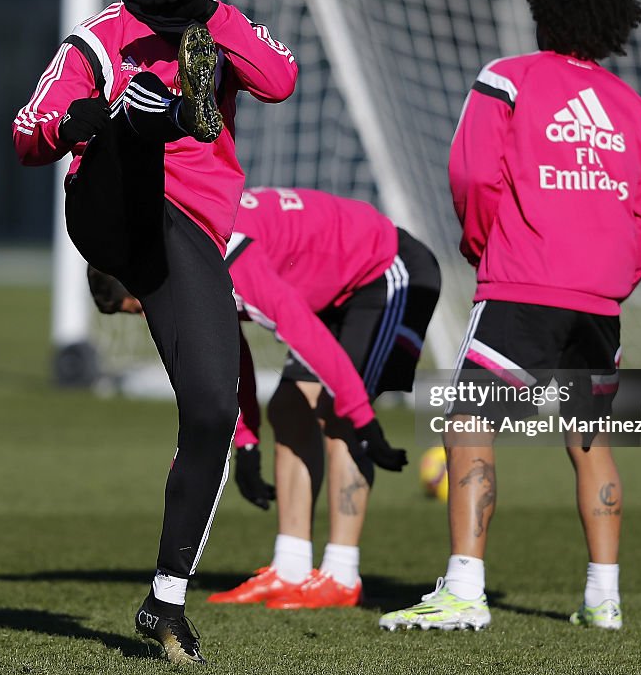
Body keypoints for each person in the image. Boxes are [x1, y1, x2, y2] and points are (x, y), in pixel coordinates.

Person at [12, 0, 297, 666]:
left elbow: (280, 81)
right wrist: (72, 122)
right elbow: (26, 129)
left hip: (188, 238)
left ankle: (165, 603)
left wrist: (215, 19)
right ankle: (153, 114)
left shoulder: (221, 25)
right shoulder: (103, 34)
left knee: (212, 405)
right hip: (109, 210)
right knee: (123, 119)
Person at [378, 0, 641, 632]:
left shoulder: (507, 80)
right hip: (599, 301)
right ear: (611, 24)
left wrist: (483, 245)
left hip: (524, 283)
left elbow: (474, 175)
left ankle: (465, 590)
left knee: (469, 423)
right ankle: (604, 600)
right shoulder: (636, 111)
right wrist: (610, 279)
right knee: (589, 441)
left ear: (542, 10)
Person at [89, 185, 441, 608]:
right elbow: (228, 353)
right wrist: (248, 440)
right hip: (338, 283)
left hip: (388, 270)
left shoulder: (232, 260)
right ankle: (291, 568)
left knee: (338, 410)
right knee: (290, 407)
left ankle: (342, 575)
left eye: (140, 305)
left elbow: (301, 330)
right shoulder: (193, 243)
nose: (150, 314)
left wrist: (365, 419)